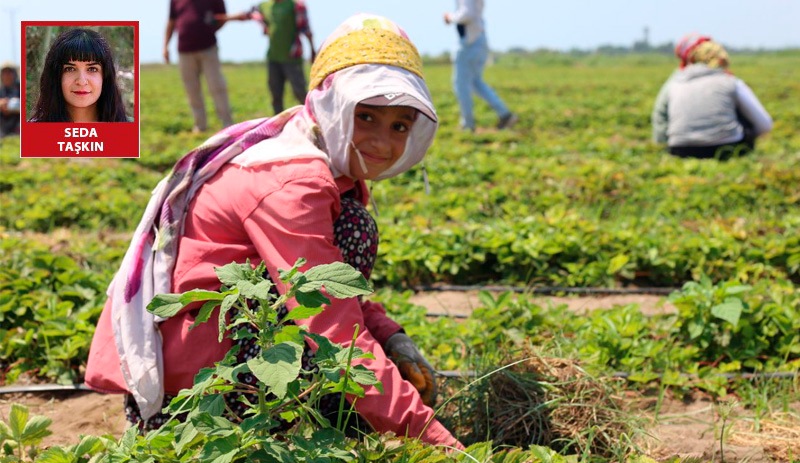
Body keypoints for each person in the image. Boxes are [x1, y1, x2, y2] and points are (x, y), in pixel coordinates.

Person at [85, 13, 463, 449]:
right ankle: (255, 428)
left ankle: (317, 411)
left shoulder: (308, 149)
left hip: (200, 353)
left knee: (348, 235)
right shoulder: (294, 180)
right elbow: (331, 325)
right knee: (353, 235)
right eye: (367, 117)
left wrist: (390, 335)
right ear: (332, 105)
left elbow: (335, 292)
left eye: (400, 125)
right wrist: (440, 444)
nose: (383, 142)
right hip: (193, 395)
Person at [652, 35, 773, 159]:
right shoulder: (730, 82)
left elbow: (659, 121)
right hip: (727, 148)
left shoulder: (674, 83)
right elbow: (764, 124)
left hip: (680, 150)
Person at [224, 0, 315, 115]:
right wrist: (224, 18)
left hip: (292, 57)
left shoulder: (296, 6)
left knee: (300, 92)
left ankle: (313, 118)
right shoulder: (265, 6)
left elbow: (306, 29)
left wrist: (312, 50)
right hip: (273, 57)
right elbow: (246, 15)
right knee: (275, 93)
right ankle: (278, 124)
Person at [444, 0, 518, 132]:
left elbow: (467, 14)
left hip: (469, 43)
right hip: (478, 39)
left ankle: (467, 125)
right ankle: (504, 114)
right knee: (475, 83)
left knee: (461, 85)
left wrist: (450, 17)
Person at [29, 29, 129, 123]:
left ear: (105, 77)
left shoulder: (131, 133)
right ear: (56, 76)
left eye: (92, 69)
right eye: (70, 69)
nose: (81, 81)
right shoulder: (31, 134)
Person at [164, 0, 235, 132]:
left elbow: (223, 17)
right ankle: (200, 125)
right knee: (192, 90)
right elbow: (171, 22)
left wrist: (209, 30)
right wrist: (165, 46)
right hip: (184, 50)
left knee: (217, 86)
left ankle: (227, 124)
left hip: (208, 48)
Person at [0, 62, 21, 136]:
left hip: (18, 127)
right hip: (4, 130)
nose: (7, 76)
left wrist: (13, 108)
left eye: (9, 73)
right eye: (4, 73)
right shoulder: (1, 90)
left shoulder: (20, 88)